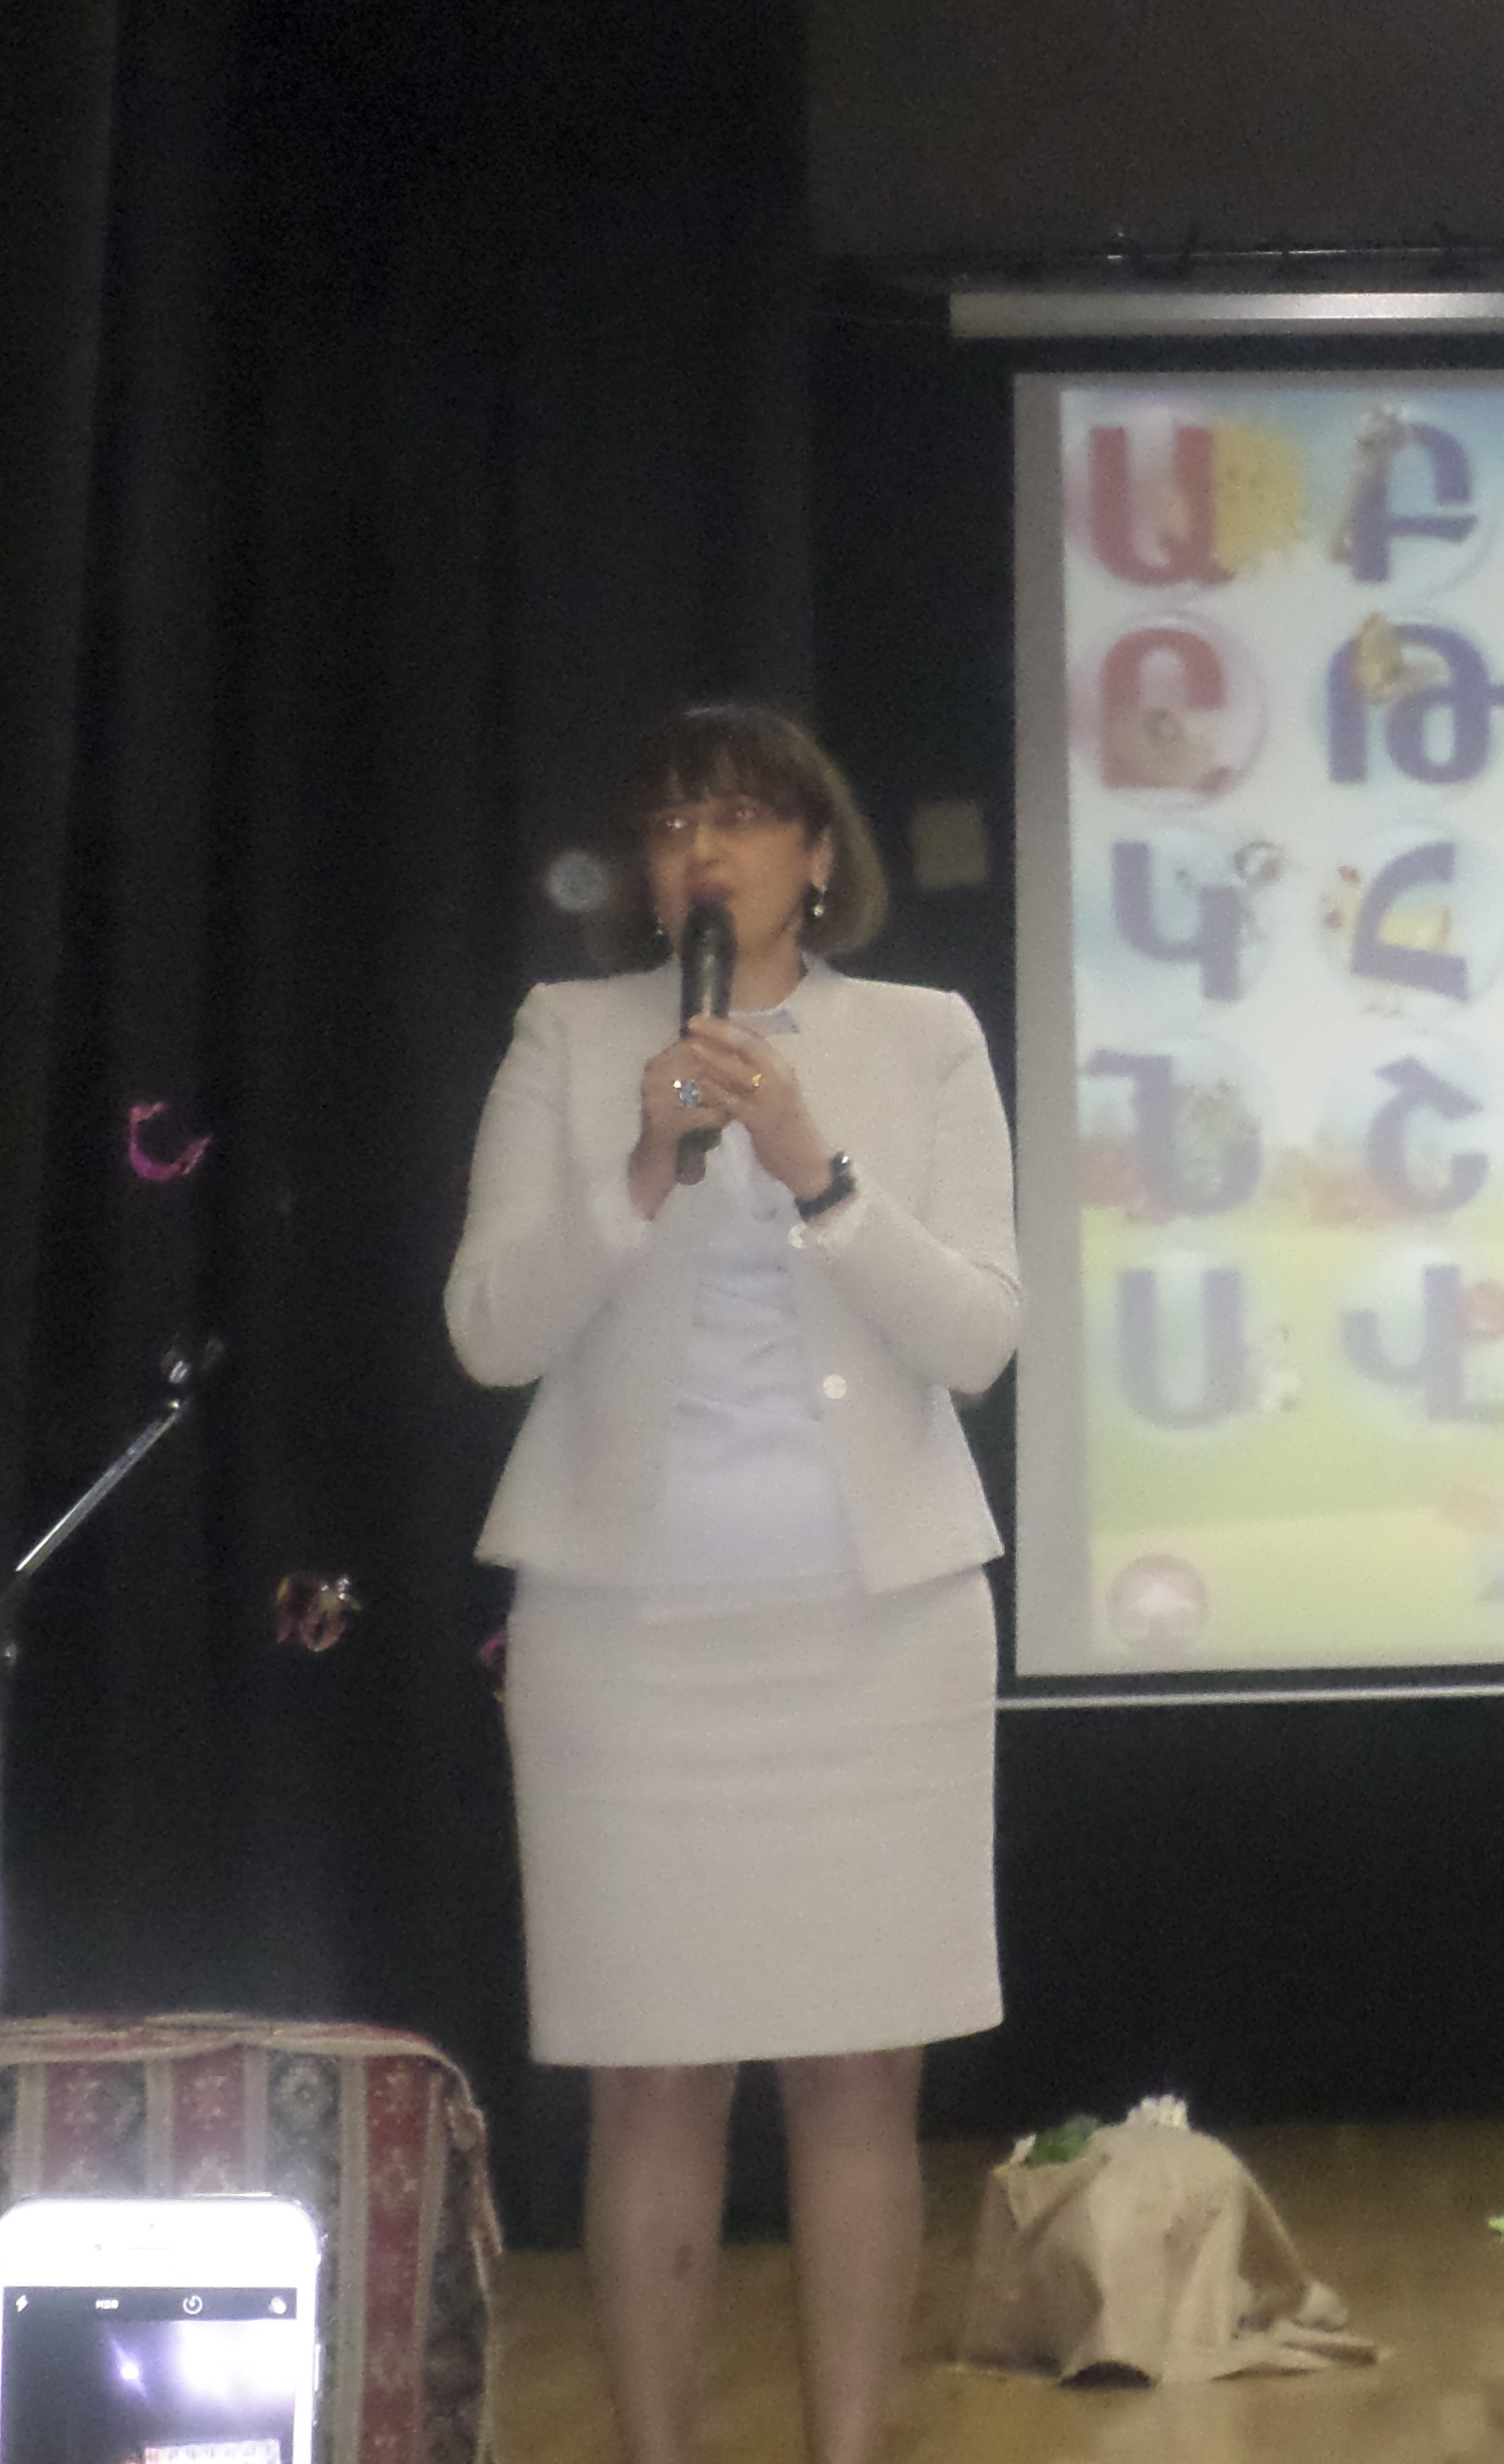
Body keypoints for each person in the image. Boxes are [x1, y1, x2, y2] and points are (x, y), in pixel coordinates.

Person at [446, 704, 1019, 2464]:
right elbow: (489, 1332)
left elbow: (979, 1337)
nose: (705, 850)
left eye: (745, 817)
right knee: (652, 2080)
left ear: (817, 855)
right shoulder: (568, 1035)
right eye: (674, 822)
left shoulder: (923, 1038)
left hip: (879, 1632)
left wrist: (818, 1175)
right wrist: (637, 1172)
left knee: (860, 2076)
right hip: (628, 1644)